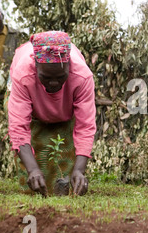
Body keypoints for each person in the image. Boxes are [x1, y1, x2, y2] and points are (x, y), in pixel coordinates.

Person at [6, 31, 96, 197]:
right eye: (46, 77)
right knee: (32, 183)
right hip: (31, 108)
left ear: (69, 66)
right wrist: (32, 169)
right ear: (36, 66)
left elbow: (85, 126)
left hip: (65, 112)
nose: (54, 83)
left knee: (66, 176)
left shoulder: (82, 77)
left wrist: (79, 170)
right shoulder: (23, 75)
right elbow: (19, 128)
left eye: (61, 77)